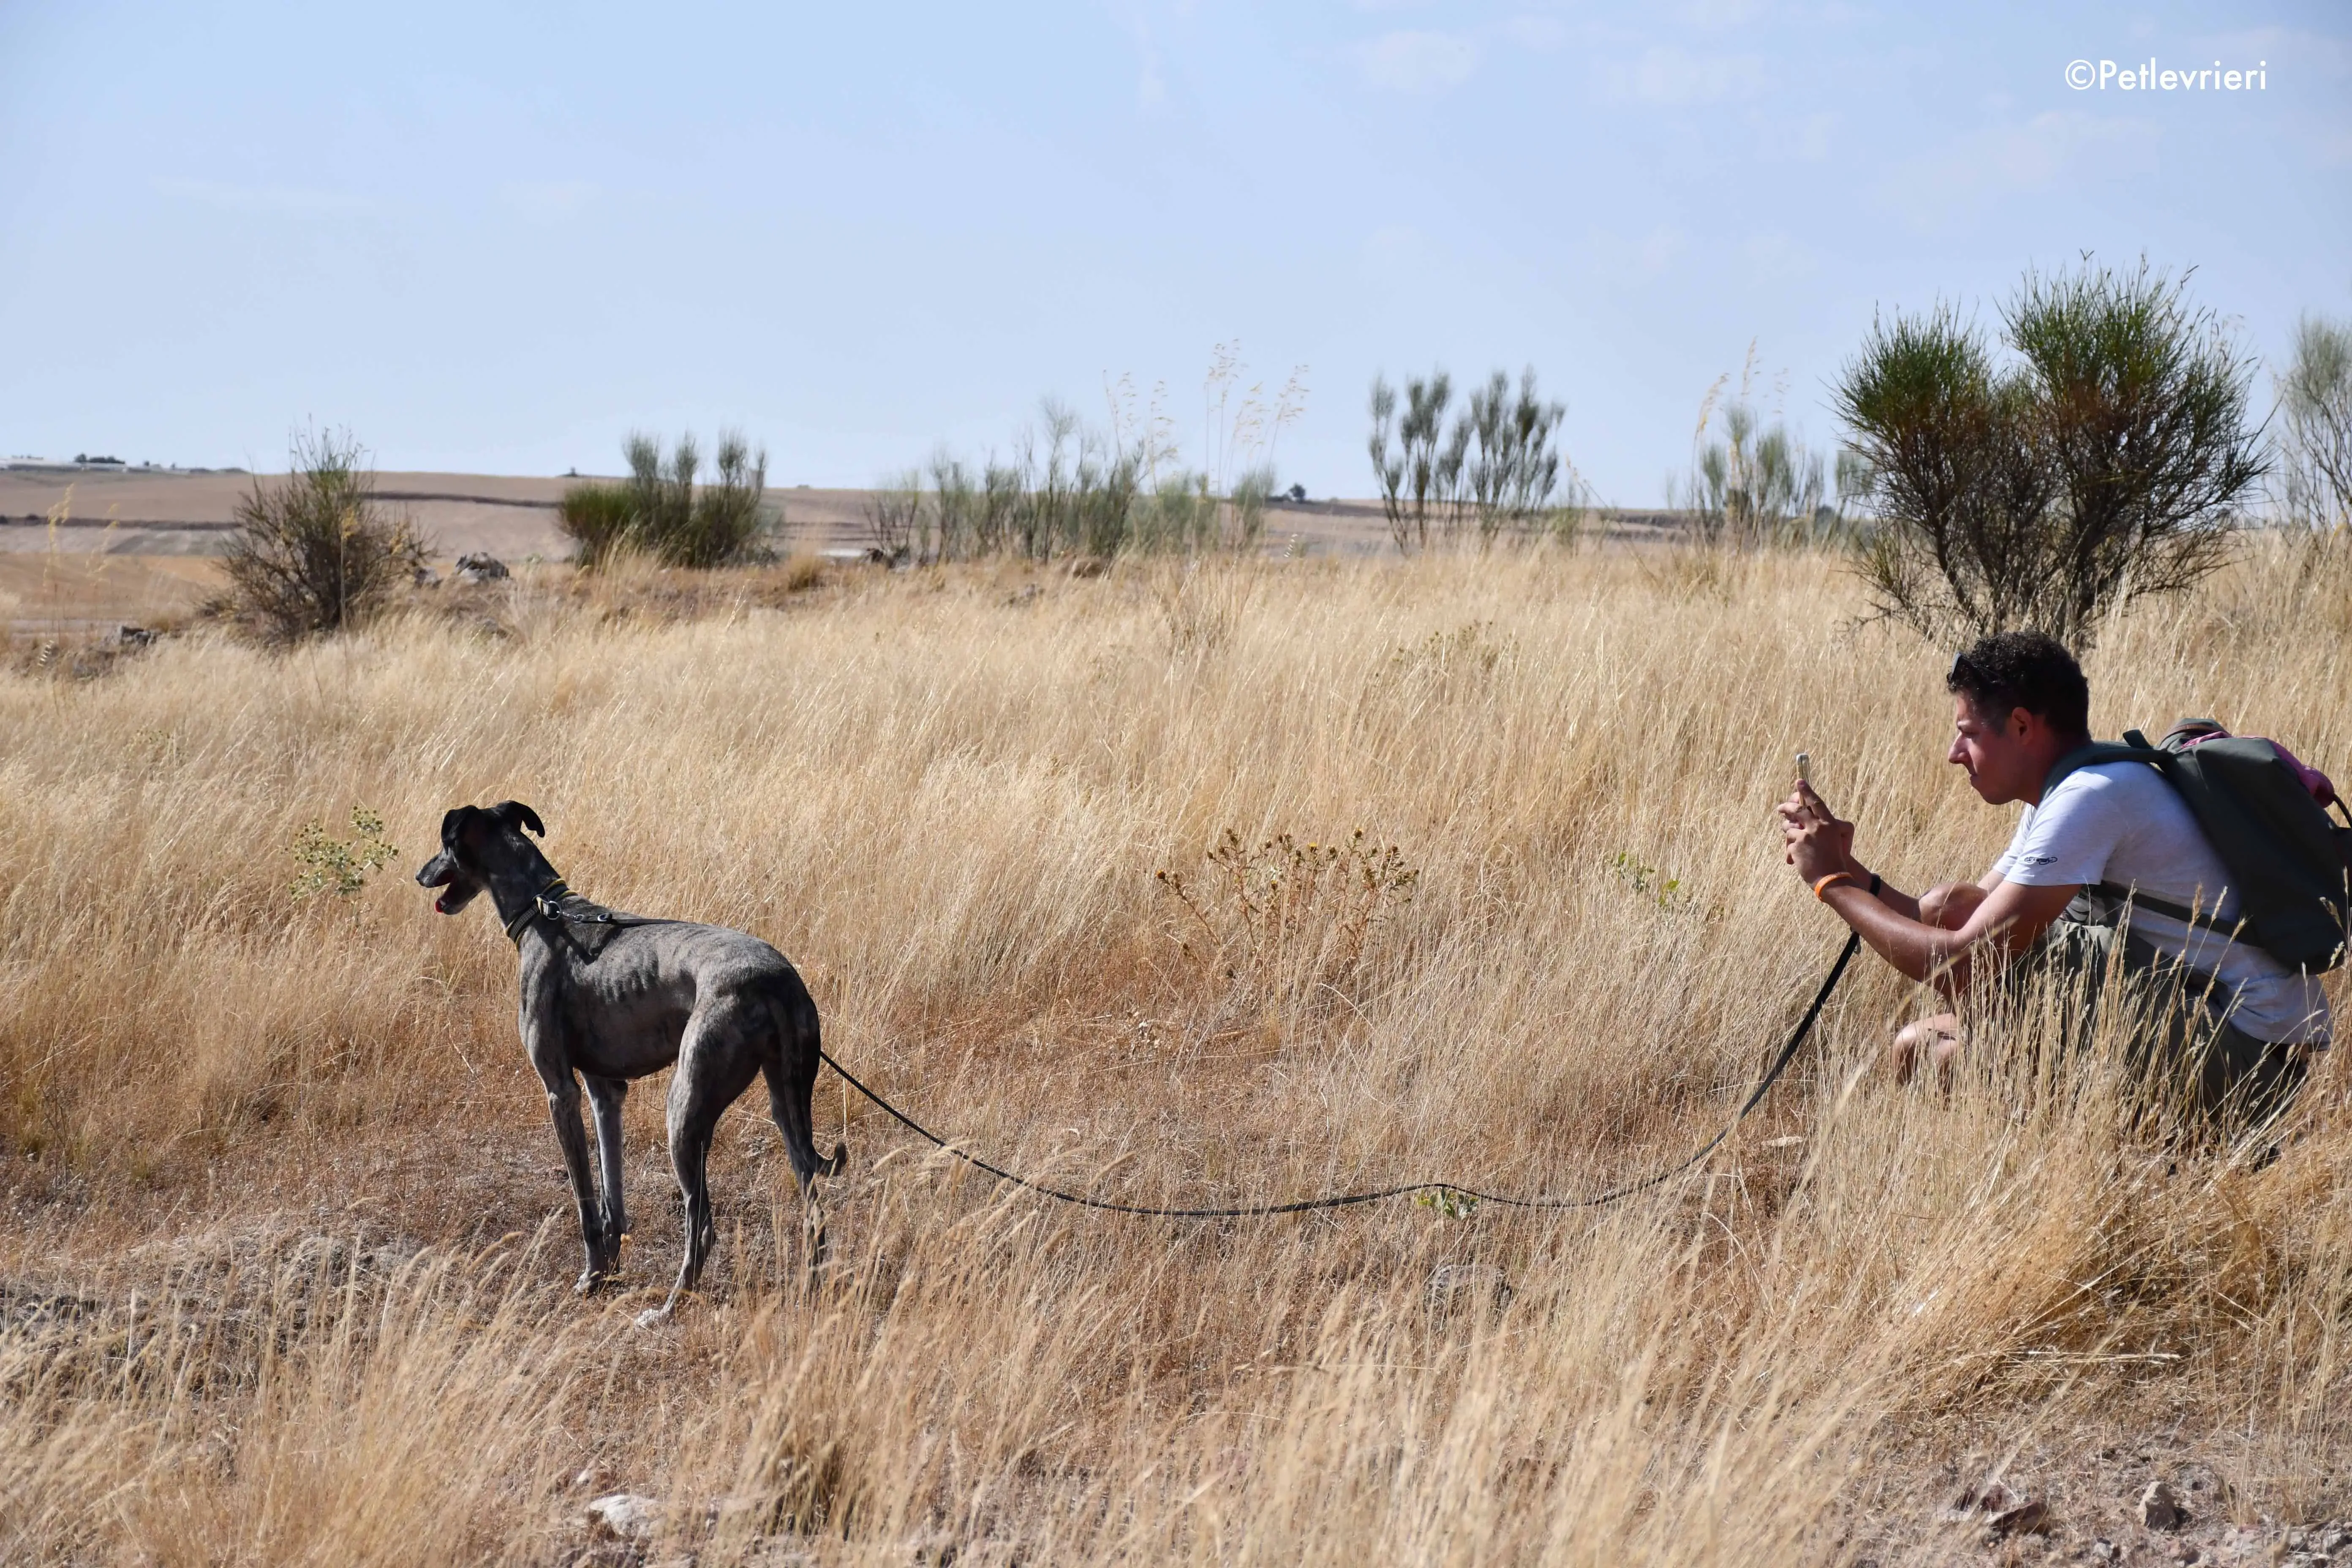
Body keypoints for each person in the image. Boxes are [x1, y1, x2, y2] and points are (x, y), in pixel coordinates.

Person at [1777, 631, 2330, 1125]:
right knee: (1921, 1046)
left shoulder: (2090, 799)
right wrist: (1851, 869)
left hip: (2255, 1063)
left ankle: (2178, 1141)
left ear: (2021, 725)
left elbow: (1965, 965)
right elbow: (1957, 920)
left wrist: (1831, 885)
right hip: (2208, 1031)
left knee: (1965, 987)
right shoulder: (2061, 794)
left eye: (1967, 733)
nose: (1953, 755)